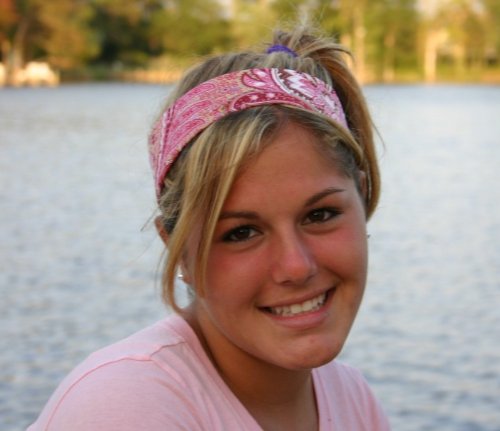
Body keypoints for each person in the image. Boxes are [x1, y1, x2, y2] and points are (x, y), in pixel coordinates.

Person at [28, 25, 390, 430]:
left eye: (319, 215)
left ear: (361, 197)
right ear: (178, 248)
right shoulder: (127, 405)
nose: (296, 266)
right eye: (241, 233)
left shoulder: (351, 398)